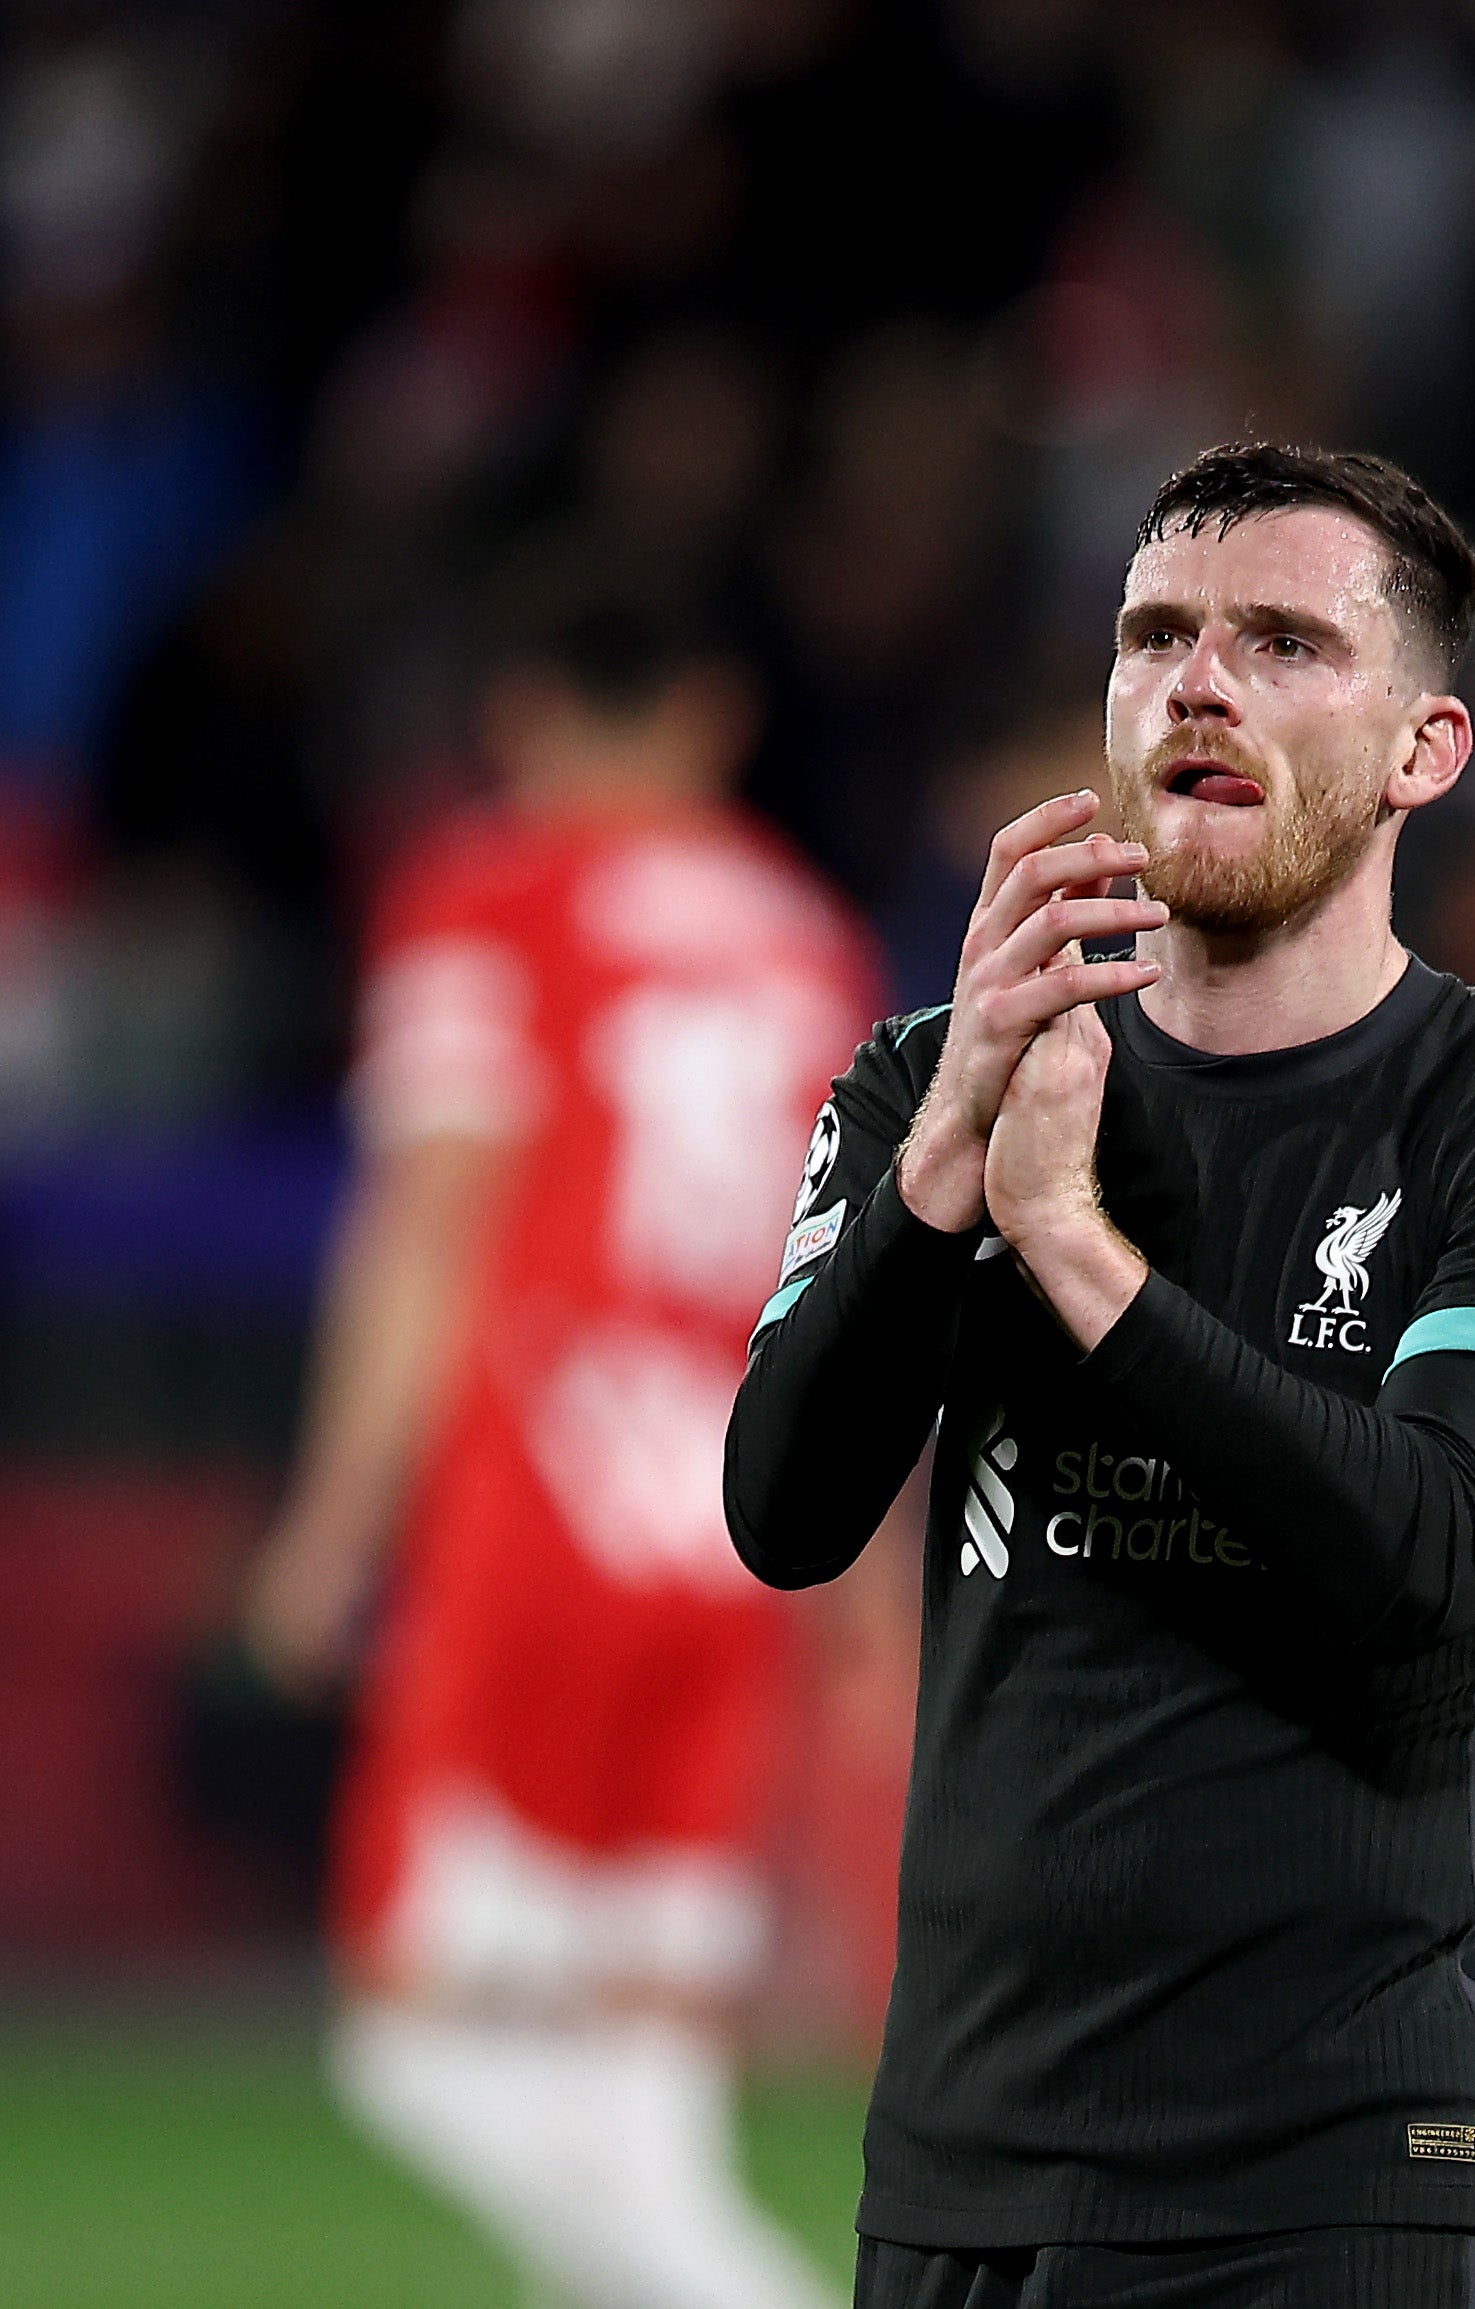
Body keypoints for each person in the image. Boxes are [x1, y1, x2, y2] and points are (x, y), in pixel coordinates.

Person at [724, 442, 1475, 2309]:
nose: (1201, 681)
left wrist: (1075, 1246)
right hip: (960, 2166)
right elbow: (783, 1512)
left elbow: (1423, 1570)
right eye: (1155, 633)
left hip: (1336, 2176)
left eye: (1285, 642)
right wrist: (941, 1182)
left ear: (1425, 749)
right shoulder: (939, 1080)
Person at [240, 568, 876, 2309]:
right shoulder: (803, 933)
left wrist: (333, 1521)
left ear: (520, 716)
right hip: (738, 1522)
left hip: (548, 1502)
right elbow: (866, 1277)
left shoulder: (492, 894)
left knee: (416, 2050)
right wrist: (865, 1562)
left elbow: (433, 1218)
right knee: (641, 2085)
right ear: (708, 722)